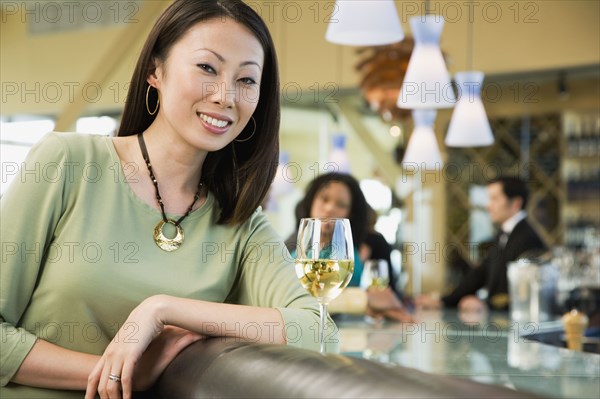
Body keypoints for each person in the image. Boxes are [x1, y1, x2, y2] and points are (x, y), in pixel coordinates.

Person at [0, 2, 328, 398]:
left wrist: (161, 310)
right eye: (207, 68)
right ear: (156, 71)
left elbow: (319, 332)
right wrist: (118, 375)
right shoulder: (68, 163)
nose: (226, 96)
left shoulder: (240, 223)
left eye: (247, 80)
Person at [285, 173, 413, 322]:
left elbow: (390, 297)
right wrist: (363, 299)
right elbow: (291, 298)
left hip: (351, 329)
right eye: (324, 199)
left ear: (350, 213)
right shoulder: (292, 243)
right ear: (311, 200)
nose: (329, 208)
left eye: (341, 205)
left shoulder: (369, 243)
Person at [415, 176, 547, 313]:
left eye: (494, 199)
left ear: (516, 204)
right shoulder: (503, 233)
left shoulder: (528, 238)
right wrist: (443, 301)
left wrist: (485, 305)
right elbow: (479, 275)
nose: (488, 206)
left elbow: (526, 295)